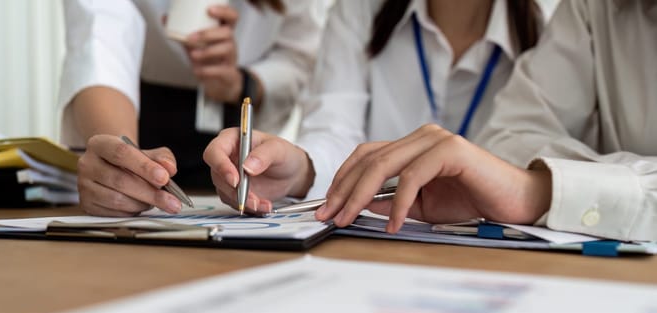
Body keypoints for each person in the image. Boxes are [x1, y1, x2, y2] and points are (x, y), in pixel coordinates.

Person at [312, 0, 657, 242]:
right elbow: (508, 139)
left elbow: (509, 166)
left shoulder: (546, 19)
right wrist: (306, 167)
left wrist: (539, 189)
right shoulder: (591, 9)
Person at [204, 0, 546, 213]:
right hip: (381, 238)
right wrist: (301, 170)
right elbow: (335, 129)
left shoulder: (552, 27)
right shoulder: (359, 9)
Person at [61, 0, 325, 216]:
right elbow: (100, 39)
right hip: (131, 111)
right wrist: (120, 161)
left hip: (236, 125)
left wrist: (240, 83)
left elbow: (298, 55)